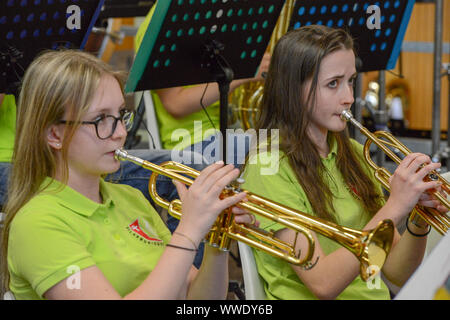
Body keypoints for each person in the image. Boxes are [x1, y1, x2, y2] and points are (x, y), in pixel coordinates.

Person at [0, 50, 256, 300]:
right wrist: (188, 231)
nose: (120, 132)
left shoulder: (131, 198)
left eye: (120, 115)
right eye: (101, 119)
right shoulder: (38, 223)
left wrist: (216, 243)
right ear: (54, 135)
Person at [241, 25, 447, 300]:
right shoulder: (268, 168)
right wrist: (395, 206)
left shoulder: (351, 152)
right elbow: (323, 283)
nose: (349, 97)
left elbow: (397, 273)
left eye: (350, 80)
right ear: (293, 89)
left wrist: (418, 217)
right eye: (333, 84)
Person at [134, 2, 271, 165]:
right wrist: (244, 74)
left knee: (289, 143)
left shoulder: (213, 13)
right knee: (278, 151)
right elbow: (175, 104)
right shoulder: (161, 21)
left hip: (224, 134)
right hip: (189, 142)